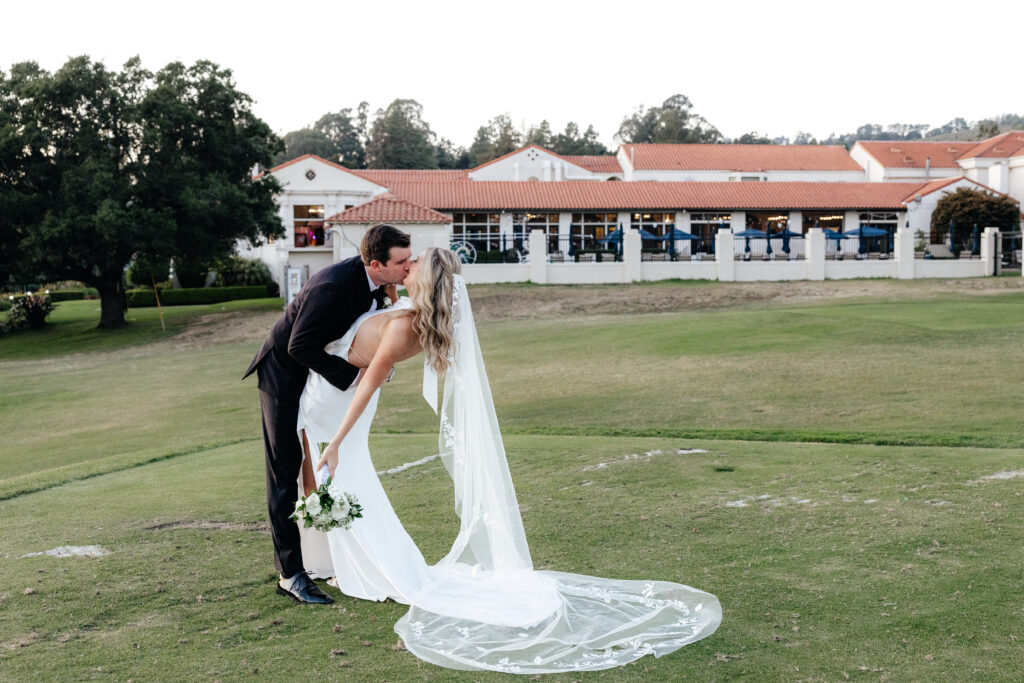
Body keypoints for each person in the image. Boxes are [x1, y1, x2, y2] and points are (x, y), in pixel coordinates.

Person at [296, 246, 722, 674]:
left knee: (346, 477)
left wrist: (336, 439)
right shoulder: (405, 311)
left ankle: (365, 569)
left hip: (341, 407)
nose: (407, 266)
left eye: (414, 264)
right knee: (343, 482)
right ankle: (344, 564)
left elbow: (369, 384)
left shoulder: (403, 325)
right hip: (332, 398)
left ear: (423, 280)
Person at [243, 224, 412, 604]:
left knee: (312, 471)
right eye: (401, 262)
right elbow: (298, 345)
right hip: (284, 377)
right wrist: (352, 376)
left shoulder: (380, 285)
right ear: (375, 263)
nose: (408, 266)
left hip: (315, 383)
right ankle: (290, 574)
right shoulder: (333, 286)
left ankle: (325, 557)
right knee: (285, 470)